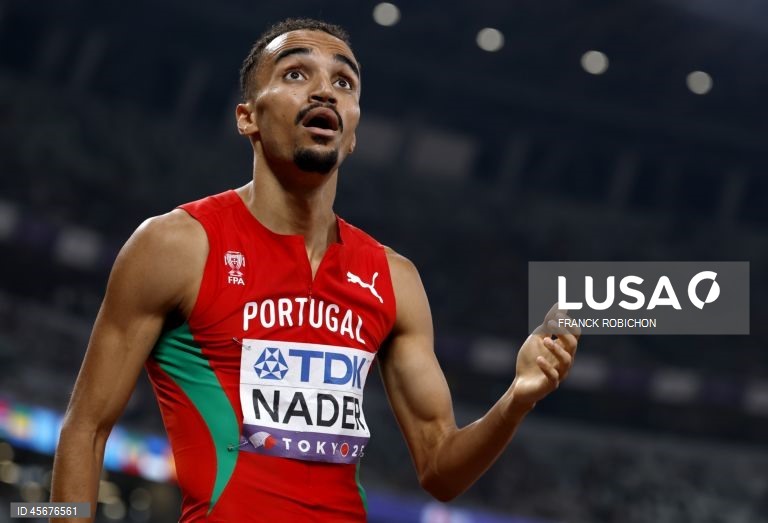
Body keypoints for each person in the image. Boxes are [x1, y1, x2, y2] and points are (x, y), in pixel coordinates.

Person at [51, 18, 579, 522]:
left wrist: (515, 400)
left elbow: (441, 470)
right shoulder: (176, 245)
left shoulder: (395, 278)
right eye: (296, 73)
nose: (325, 91)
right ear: (247, 117)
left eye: (344, 82)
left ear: (351, 133)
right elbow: (84, 429)